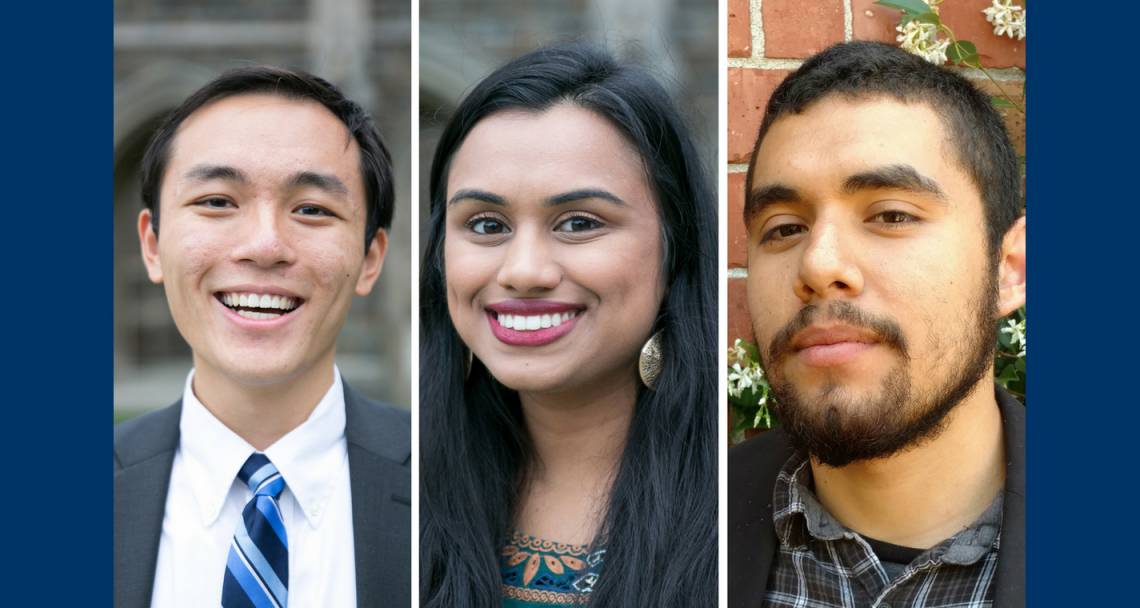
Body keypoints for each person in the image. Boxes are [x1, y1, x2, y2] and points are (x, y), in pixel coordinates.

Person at [729, 41, 1026, 607]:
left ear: (1009, 269)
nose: (818, 265)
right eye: (785, 228)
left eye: (891, 215)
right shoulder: (687, 514)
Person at [420, 43, 717, 607]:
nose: (524, 271)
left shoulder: (740, 516)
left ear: (674, 249)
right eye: (485, 225)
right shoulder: (392, 496)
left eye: (579, 222)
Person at [113, 66, 410, 608]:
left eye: (312, 210)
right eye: (217, 202)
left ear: (371, 259)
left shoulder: (456, 489)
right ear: (152, 244)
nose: (265, 245)